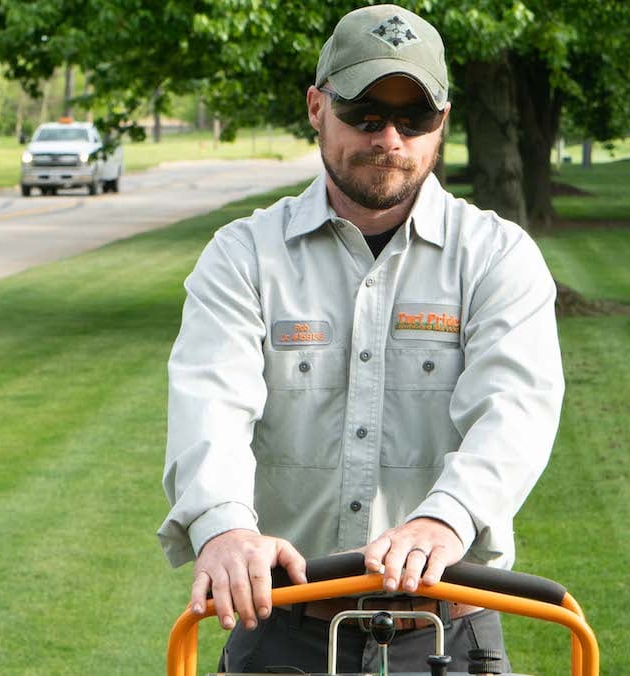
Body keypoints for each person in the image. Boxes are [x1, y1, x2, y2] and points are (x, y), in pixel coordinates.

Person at [158, 4, 564, 672]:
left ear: (444, 122)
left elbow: (516, 410)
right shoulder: (243, 257)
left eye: (415, 118)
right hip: (284, 627)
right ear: (317, 108)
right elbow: (210, 403)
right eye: (365, 114)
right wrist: (226, 526)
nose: (390, 139)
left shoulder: (497, 256)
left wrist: (447, 517)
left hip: (450, 629)